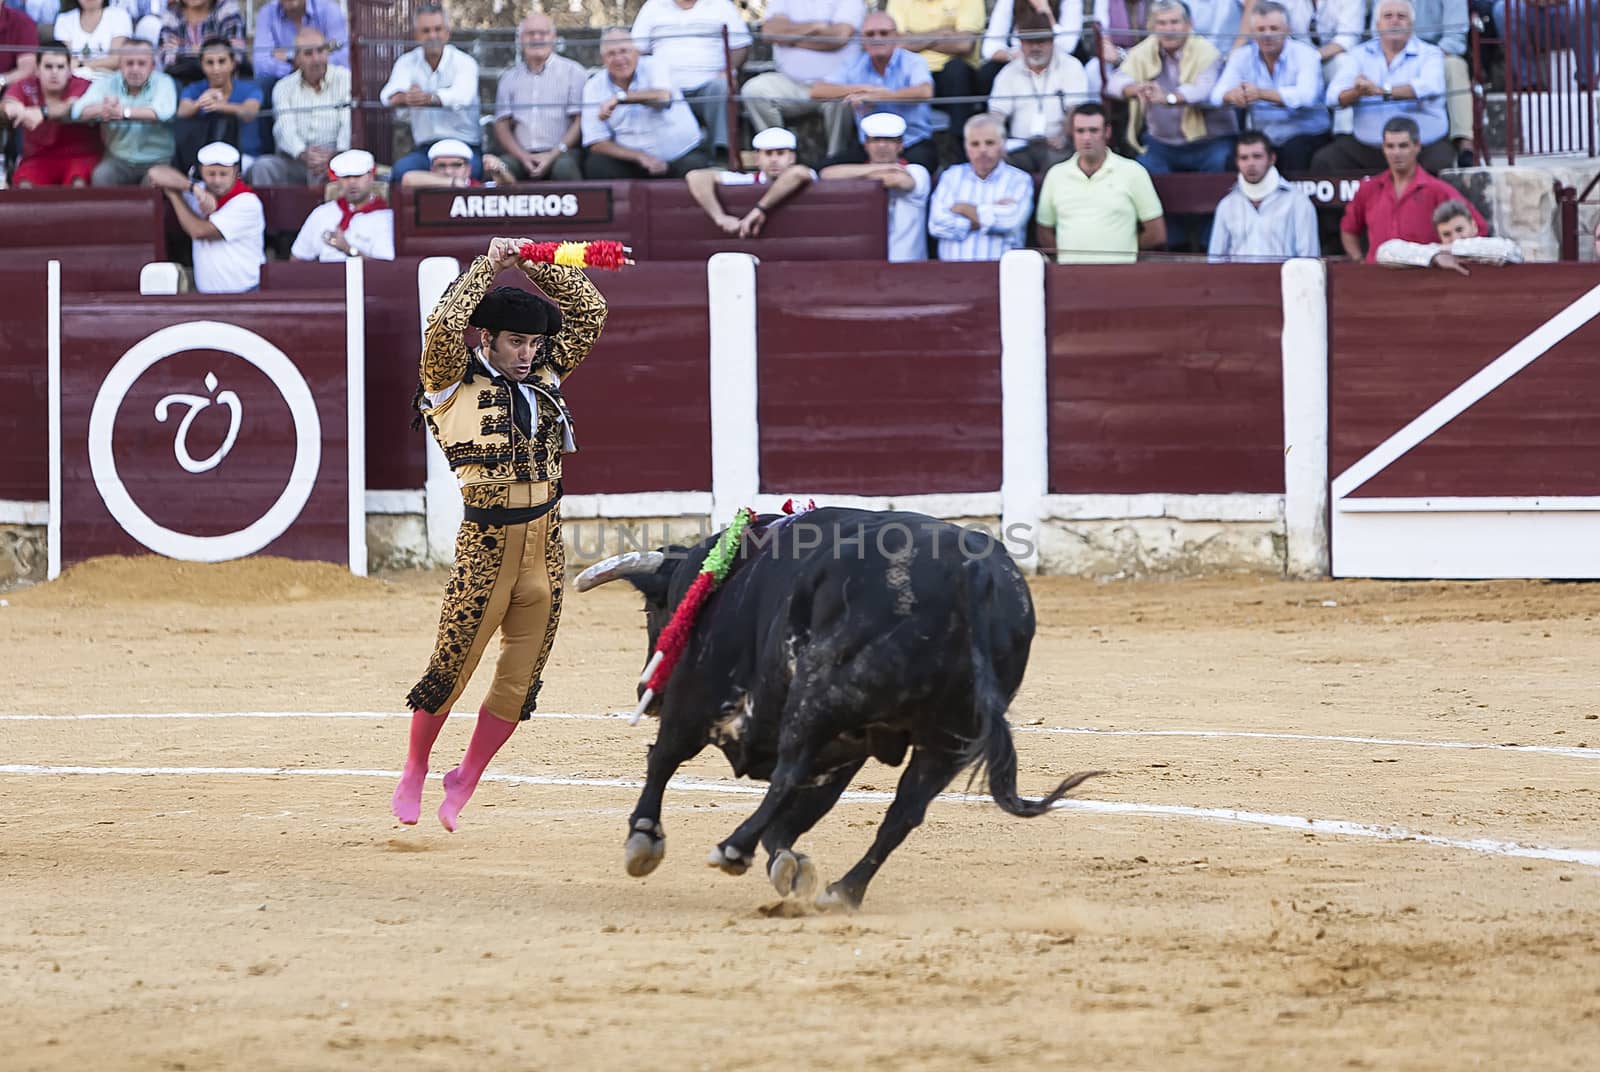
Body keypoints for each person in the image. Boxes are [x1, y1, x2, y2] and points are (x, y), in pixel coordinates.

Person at [397, 235, 611, 832]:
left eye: (534, 341)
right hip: (486, 547)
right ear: (485, 338)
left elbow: (590, 312)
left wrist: (533, 261)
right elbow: (443, 325)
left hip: (546, 547)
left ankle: (466, 774)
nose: (527, 352)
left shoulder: (544, 370)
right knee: (451, 668)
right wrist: (486, 266)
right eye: (515, 340)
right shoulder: (449, 378)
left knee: (521, 680)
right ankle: (415, 767)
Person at [1313, 0, 1454, 174]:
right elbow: (1333, 97)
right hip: (1369, 147)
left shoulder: (1430, 53)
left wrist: (1381, 91)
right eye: (1388, 16)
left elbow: (1430, 86)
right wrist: (1356, 92)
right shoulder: (1358, 55)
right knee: (1325, 161)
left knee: (1442, 162)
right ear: (1377, 24)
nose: (1394, 21)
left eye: (1401, 17)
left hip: (1421, 146)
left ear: (1411, 24)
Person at [1106, 0, 1237, 174]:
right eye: (1162, 23)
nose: (1169, 29)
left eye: (1174, 22)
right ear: (1152, 26)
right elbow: (1113, 83)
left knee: (1221, 162)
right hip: (1162, 144)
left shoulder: (1207, 52)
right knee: (1141, 169)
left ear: (1189, 24)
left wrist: (1168, 98)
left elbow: (1203, 91)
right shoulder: (1144, 51)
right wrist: (1137, 89)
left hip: (1210, 142)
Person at [1338, 115, 1485, 261]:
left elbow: (1478, 227)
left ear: (1417, 146)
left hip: (1423, 277)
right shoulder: (1368, 189)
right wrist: (1359, 261)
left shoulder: (1438, 190)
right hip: (1377, 276)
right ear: (1383, 148)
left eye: (1403, 146)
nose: (1396, 153)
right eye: (1390, 146)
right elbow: (1348, 229)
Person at [1034, 101, 1166, 262]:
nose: (1086, 137)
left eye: (1093, 130)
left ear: (1107, 132)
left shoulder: (1133, 172)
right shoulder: (1056, 175)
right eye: (1080, 131)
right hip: (1069, 278)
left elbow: (1156, 233)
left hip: (1119, 277)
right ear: (1072, 134)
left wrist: (1123, 250)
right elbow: (1044, 232)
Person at [810, 11, 939, 172]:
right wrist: (862, 90)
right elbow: (817, 91)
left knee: (917, 176)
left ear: (896, 36)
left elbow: (925, 91)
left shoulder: (914, 61)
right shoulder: (853, 64)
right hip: (868, 146)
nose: (877, 39)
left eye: (883, 33)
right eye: (870, 34)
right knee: (819, 172)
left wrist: (880, 96)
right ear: (863, 39)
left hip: (911, 142)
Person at [1211, 1, 1329, 172]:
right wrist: (1233, 95)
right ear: (1252, 33)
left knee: (1295, 152)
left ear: (1288, 30)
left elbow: (1306, 96)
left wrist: (1260, 94)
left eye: (1274, 28)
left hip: (1307, 134)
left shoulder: (1306, 54)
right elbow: (1216, 95)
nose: (1267, 35)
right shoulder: (1242, 56)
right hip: (1266, 137)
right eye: (1261, 29)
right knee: (1234, 159)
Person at [579, 27, 711, 180]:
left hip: (680, 154)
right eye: (611, 54)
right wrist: (640, 157)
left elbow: (663, 98)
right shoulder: (594, 86)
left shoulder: (655, 65)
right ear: (603, 60)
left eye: (624, 51)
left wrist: (621, 98)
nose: (619, 59)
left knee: (696, 168)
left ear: (637, 53)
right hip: (632, 161)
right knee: (596, 165)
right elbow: (596, 142)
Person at [740, 0, 862, 161]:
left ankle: (835, 161)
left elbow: (838, 37)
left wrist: (790, 37)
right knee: (754, 90)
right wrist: (815, 27)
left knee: (845, 99)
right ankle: (779, 155)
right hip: (791, 83)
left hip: (834, 85)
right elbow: (769, 32)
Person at [629, 0, 750, 157]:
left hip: (709, 83)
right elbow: (636, 50)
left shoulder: (721, 5)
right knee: (648, 93)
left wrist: (728, 72)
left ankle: (721, 154)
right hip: (665, 87)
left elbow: (741, 46)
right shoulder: (653, 6)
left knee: (722, 87)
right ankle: (662, 159)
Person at [381, 3, 483, 185]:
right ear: (416, 34)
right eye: (426, 30)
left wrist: (427, 98)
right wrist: (406, 98)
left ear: (447, 32)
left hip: (464, 146)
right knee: (400, 172)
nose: (432, 36)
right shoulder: (407, 62)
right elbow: (387, 96)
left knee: (474, 172)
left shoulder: (464, 62)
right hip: (426, 150)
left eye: (438, 29)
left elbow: (462, 96)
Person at [145, 140, 264, 292]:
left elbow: (199, 231)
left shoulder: (247, 202)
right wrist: (192, 187)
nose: (217, 180)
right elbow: (155, 173)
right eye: (211, 174)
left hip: (245, 293)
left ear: (235, 171)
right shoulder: (198, 191)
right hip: (207, 296)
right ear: (201, 170)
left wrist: (174, 196)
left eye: (223, 174)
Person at [818, 110, 931, 262]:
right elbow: (826, 174)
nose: (882, 146)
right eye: (876, 140)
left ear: (900, 146)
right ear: (866, 145)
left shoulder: (916, 170)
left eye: (889, 140)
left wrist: (859, 174)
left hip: (907, 263)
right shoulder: (862, 170)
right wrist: (876, 169)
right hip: (864, 264)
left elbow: (897, 180)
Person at [988, 8, 1089, 174]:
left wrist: (1063, 136)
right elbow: (996, 114)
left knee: (1057, 163)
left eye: (1041, 41)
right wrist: (998, 142)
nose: (1035, 47)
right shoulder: (1008, 72)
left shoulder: (1071, 66)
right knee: (1002, 162)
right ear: (1020, 43)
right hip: (1019, 145)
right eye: (1029, 42)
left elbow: (1076, 110)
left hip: (1058, 145)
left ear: (1052, 41)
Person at [247, 26, 350, 187]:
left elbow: (348, 123)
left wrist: (332, 156)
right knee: (262, 167)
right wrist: (303, 154)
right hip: (295, 160)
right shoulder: (283, 87)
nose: (316, 59)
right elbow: (284, 129)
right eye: (308, 53)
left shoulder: (345, 79)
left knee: (330, 172)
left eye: (321, 51)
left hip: (336, 159)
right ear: (297, 58)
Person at [492, 13, 586, 183]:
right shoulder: (509, 78)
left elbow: (580, 122)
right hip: (521, 154)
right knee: (500, 167)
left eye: (543, 33)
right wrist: (523, 157)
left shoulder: (573, 73)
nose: (537, 38)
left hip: (562, 152)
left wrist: (552, 155)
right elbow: (501, 125)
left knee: (564, 168)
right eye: (530, 33)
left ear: (553, 37)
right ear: (520, 39)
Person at [928, 112, 1034, 260]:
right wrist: (992, 211)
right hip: (952, 276)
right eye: (975, 144)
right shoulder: (950, 176)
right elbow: (936, 225)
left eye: (989, 143)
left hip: (1002, 275)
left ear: (1003, 145)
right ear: (966, 146)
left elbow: (1011, 222)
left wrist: (963, 208)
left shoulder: (1020, 180)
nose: (982, 150)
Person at [1379, 0, 1473, 166]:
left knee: (1455, 66)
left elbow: (1455, 39)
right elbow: (1377, 30)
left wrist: (1427, 59)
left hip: (1438, 53)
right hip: (1395, 50)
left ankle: (1463, 141)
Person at [70, 38, 176, 185]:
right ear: (120, 64)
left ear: (152, 65)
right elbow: (77, 111)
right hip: (118, 159)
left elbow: (162, 112)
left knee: (153, 186)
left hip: (157, 160)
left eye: (141, 63)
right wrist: (102, 109)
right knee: (101, 177)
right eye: (129, 63)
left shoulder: (164, 82)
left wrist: (123, 112)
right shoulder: (107, 83)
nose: (135, 69)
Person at [1207, 131, 1320, 261]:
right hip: (1238, 280)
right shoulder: (1227, 205)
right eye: (1244, 158)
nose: (1251, 164)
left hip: (1285, 280)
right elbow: (1215, 260)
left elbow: (1309, 259)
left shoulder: (1298, 202)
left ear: (1272, 159)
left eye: (1257, 156)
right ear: (1237, 162)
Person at [685, 125, 815, 236]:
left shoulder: (805, 175)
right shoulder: (747, 180)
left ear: (792, 158)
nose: (774, 159)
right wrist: (719, 217)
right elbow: (696, 176)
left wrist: (759, 209)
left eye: (780, 153)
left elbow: (797, 173)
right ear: (757, 159)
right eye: (768, 154)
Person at [2, 40, 100, 186]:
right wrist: (11, 108)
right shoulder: (26, 85)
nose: (54, 72)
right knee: (24, 185)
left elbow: (70, 106)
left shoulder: (82, 85)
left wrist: (43, 113)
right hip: (38, 158)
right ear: (37, 69)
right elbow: (7, 103)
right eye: (48, 67)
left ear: (69, 70)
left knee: (78, 183)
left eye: (60, 67)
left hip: (80, 156)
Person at [885, 0, 985, 132]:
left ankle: (961, 144)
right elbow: (892, 44)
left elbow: (963, 44)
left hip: (951, 76)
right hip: (911, 73)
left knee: (957, 69)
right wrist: (939, 34)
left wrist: (912, 37)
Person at [290, 147, 393, 261]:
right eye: (346, 177)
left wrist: (347, 249)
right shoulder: (321, 213)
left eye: (358, 176)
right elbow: (297, 258)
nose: (352, 182)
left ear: (371, 176)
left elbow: (385, 268)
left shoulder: (385, 218)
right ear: (338, 180)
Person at [175, 34, 261, 170]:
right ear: (202, 65)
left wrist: (220, 106)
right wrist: (201, 102)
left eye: (222, 61)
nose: (216, 69)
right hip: (202, 160)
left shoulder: (249, 89)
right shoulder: (194, 89)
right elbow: (182, 111)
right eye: (210, 63)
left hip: (245, 158)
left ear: (233, 63)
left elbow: (250, 112)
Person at [1376, 198, 1523, 271]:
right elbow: (1384, 251)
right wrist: (1434, 256)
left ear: (1474, 226)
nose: (1455, 238)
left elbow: (1514, 252)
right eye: (1446, 234)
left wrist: (1454, 249)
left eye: (1460, 230)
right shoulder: (1435, 252)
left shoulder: (1491, 247)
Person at [981, 0, 1089, 95]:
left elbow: (1067, 46)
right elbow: (989, 48)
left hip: (1057, 58)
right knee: (988, 72)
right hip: (1018, 57)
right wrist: (1015, 55)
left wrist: (1045, 11)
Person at [251, 0, 349, 90]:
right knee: (262, 84)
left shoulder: (329, 9)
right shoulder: (267, 13)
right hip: (285, 80)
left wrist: (291, 56)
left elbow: (342, 58)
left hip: (325, 75)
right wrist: (299, 69)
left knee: (344, 79)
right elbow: (261, 65)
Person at [157, 0, 244, 83]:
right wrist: (203, 51)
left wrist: (184, 50)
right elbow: (167, 58)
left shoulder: (227, 9)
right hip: (183, 79)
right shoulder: (172, 14)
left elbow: (235, 55)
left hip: (222, 81)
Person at [53, 0, 131, 81]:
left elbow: (116, 60)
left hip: (109, 81)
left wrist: (81, 64)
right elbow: (65, 60)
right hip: (74, 81)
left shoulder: (120, 16)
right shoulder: (64, 20)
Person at [400, 136, 515, 188]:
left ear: (468, 168)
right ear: (432, 169)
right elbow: (408, 178)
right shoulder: (424, 186)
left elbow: (509, 187)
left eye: (456, 165)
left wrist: (499, 168)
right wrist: (453, 183)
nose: (448, 171)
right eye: (441, 166)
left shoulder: (476, 187)